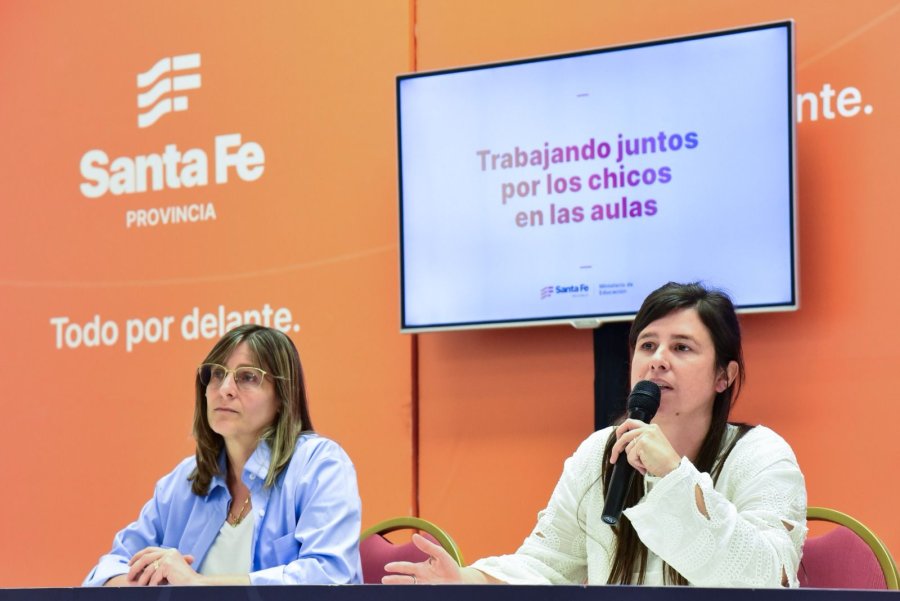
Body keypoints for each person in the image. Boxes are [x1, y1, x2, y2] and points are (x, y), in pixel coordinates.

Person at [384, 281, 807, 587]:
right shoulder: (600, 452)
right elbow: (546, 565)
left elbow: (766, 579)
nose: (658, 360)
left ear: (724, 376)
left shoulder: (761, 455)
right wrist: (466, 581)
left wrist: (674, 475)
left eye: (682, 347)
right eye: (647, 345)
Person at [83, 324, 362, 586]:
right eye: (217, 375)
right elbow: (105, 572)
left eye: (248, 377)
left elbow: (329, 576)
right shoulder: (184, 481)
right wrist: (153, 581)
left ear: (282, 398)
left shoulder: (320, 465)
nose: (225, 389)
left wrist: (198, 585)